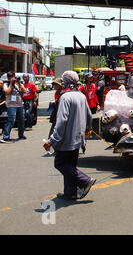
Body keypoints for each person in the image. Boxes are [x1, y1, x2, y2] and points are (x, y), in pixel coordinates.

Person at [43, 71, 96, 201]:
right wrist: (85, 134)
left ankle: (84, 180)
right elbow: (89, 117)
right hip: (78, 139)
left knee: (60, 164)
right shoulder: (81, 96)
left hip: (66, 140)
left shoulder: (65, 97)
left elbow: (61, 122)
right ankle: (70, 193)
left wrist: (52, 140)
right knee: (70, 166)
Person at [1, 72, 26, 143]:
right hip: (11, 106)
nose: (12, 78)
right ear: (8, 78)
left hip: (20, 104)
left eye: (13, 77)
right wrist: (11, 83)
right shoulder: (6, 84)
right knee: (11, 120)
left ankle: (21, 135)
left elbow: (24, 91)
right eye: (11, 77)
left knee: (21, 121)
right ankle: (5, 136)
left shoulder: (18, 84)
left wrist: (19, 83)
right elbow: (7, 92)